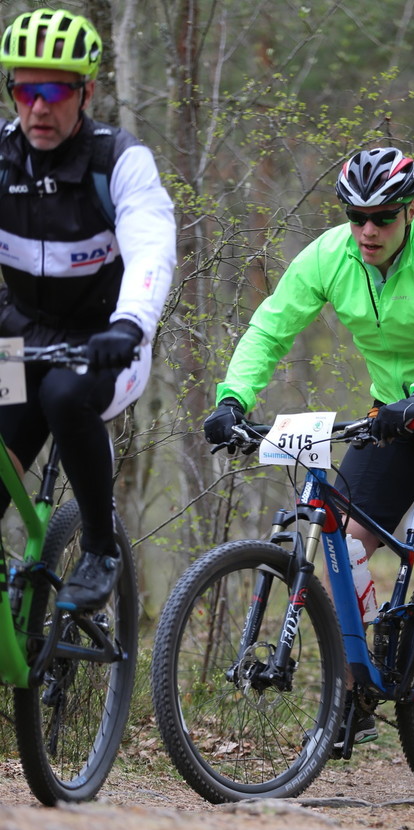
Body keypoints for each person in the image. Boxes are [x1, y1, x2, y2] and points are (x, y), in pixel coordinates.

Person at [204, 145, 414, 745]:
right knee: (342, 544)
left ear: (411, 211)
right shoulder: (330, 255)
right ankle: (360, 684)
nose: (368, 230)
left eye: (383, 217)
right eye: (356, 216)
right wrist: (232, 398)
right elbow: (271, 325)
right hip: (390, 408)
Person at [0, 7, 176, 611]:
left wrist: (131, 323)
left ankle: (100, 547)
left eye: (54, 92)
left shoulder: (118, 161)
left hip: (105, 342)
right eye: (25, 90)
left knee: (65, 395)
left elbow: (151, 244)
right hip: (20, 342)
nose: (38, 107)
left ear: (87, 92)